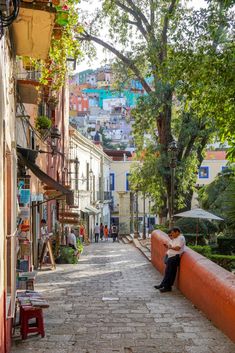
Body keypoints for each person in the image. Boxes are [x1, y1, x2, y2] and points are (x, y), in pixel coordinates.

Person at [154, 226, 185, 293]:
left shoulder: (181, 238)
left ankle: (167, 287)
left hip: (174, 257)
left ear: (177, 232)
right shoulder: (174, 238)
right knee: (167, 272)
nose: (172, 235)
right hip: (170, 256)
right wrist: (168, 246)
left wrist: (170, 247)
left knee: (171, 273)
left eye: (173, 233)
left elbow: (178, 248)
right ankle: (163, 285)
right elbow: (171, 246)